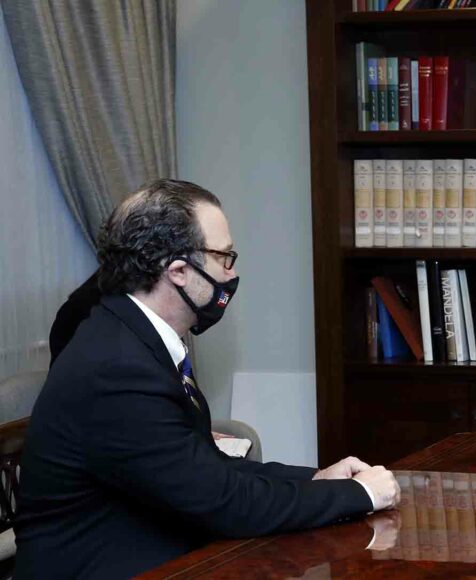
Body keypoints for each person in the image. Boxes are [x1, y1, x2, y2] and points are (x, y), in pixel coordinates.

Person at [16, 179, 400, 579]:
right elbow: (221, 501)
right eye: (224, 257)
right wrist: (357, 495)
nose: (232, 273)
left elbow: (205, 466)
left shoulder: (137, 337)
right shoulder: (117, 366)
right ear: (179, 271)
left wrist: (318, 480)